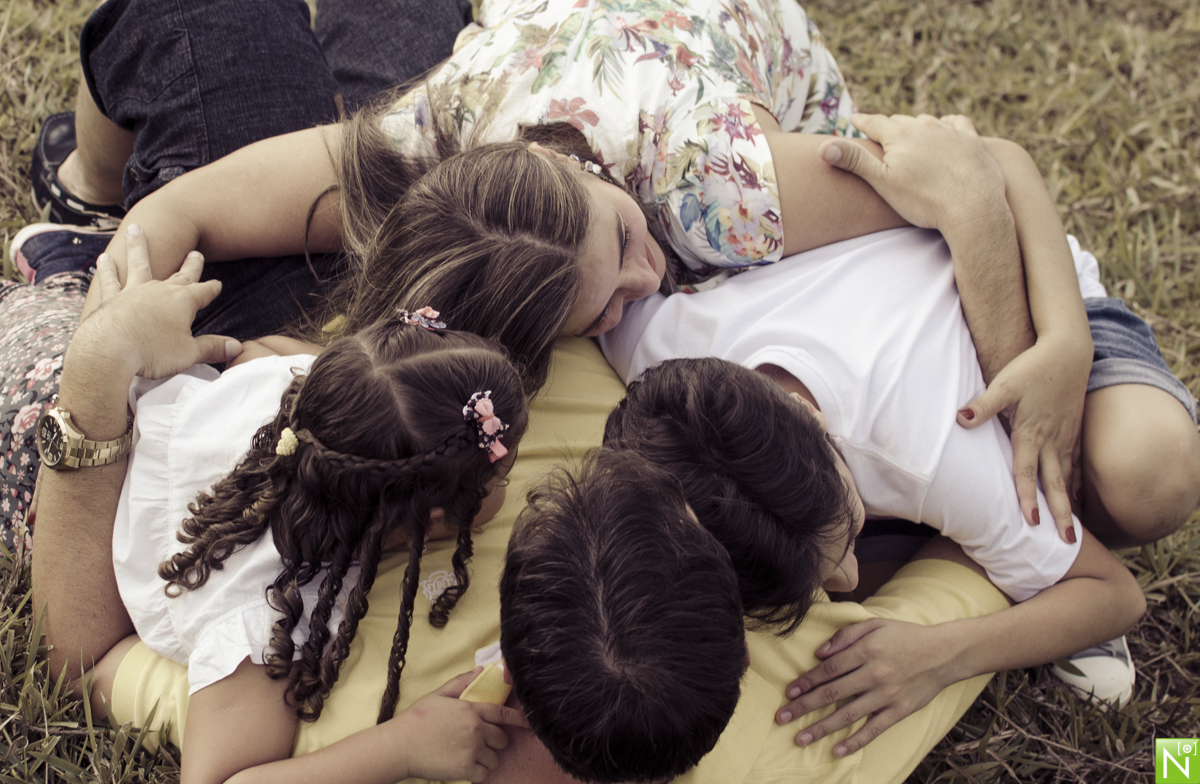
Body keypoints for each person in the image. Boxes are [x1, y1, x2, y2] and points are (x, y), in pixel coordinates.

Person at [32, 229, 531, 784]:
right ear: (434, 518)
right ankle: (51, 266)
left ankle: (55, 263)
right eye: (501, 476)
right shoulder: (268, 619)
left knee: (53, 301)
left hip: (99, 377)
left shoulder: (305, 394)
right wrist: (403, 746)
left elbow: (259, 351)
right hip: (43, 473)